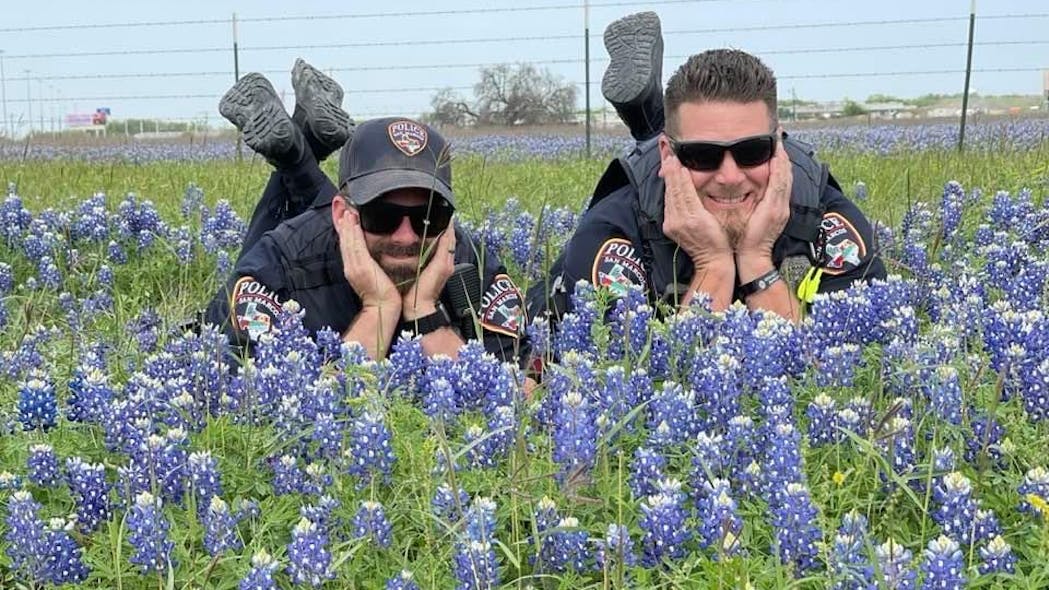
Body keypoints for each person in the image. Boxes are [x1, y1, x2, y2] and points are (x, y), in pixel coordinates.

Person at [527, 12, 886, 325]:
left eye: (752, 151)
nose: (730, 176)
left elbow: (830, 369)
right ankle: (654, 122)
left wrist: (756, 259)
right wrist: (712, 264)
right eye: (702, 156)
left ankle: (651, 115)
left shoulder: (822, 213)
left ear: (780, 145)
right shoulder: (617, 225)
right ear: (669, 154)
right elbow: (621, 375)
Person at [203, 62, 530, 364]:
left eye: (427, 217)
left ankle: (298, 154)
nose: (406, 236)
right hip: (315, 240)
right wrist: (379, 308)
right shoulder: (282, 259)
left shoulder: (465, 256)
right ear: (344, 216)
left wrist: (425, 313)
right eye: (382, 216)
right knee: (212, 321)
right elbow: (245, 396)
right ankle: (298, 154)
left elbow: (522, 388)